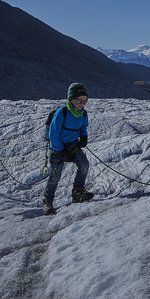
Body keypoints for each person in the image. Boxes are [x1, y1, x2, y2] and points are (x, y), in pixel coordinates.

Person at [42, 83, 94, 215]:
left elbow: (83, 127)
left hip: (72, 146)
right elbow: (53, 133)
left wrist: (83, 136)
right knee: (54, 176)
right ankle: (47, 202)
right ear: (71, 99)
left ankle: (78, 192)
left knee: (84, 165)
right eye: (79, 101)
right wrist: (60, 150)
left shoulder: (82, 114)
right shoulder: (61, 113)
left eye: (85, 101)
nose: (82, 104)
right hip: (58, 149)